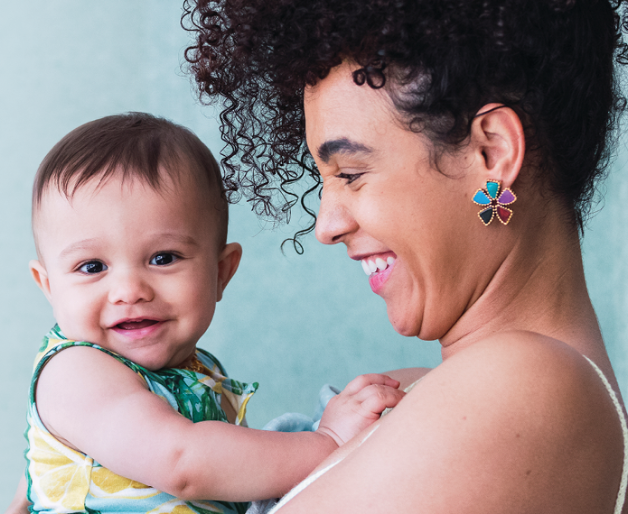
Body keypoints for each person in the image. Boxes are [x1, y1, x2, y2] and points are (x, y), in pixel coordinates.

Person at [182, 0, 628, 512]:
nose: (327, 227)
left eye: (350, 173)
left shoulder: (523, 388)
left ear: (492, 154)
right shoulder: (428, 393)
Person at [6, 112, 405, 514]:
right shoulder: (77, 370)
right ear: (49, 287)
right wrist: (329, 441)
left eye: (163, 258)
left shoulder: (194, 367)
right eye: (92, 267)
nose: (129, 291)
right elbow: (182, 463)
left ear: (221, 272)